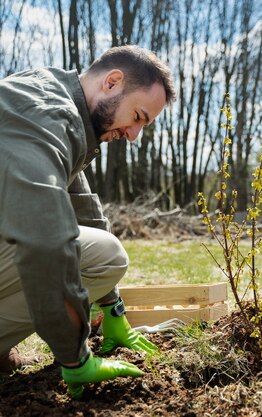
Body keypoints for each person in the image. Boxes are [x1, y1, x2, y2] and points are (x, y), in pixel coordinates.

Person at [0, 45, 176, 398]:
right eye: (138, 117)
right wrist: (76, 358)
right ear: (112, 82)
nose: (133, 135)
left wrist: (114, 309)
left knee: (101, 249)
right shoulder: (47, 117)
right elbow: (45, 238)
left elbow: (80, 206)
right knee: (106, 254)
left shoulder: (55, 96)